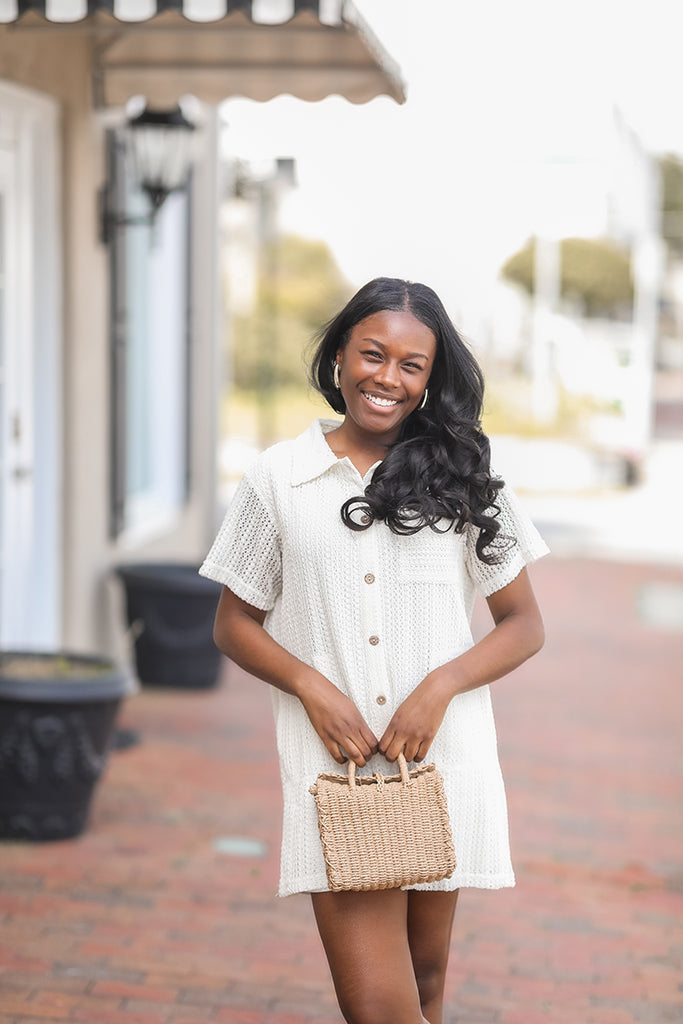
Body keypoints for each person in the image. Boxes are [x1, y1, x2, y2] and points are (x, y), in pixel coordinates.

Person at [200, 277, 548, 1024]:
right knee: (384, 1009)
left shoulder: (462, 477)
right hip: (342, 778)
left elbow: (523, 623)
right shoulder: (279, 479)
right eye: (371, 354)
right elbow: (233, 623)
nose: (387, 377)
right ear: (337, 359)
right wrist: (313, 688)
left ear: (429, 382)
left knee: (423, 989)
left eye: (411, 365)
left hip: (444, 765)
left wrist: (439, 687)